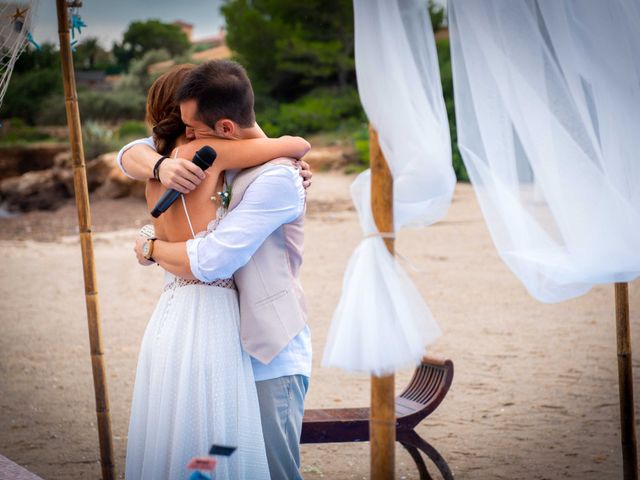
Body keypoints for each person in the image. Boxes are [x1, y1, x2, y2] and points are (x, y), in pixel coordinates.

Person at [122, 62, 311, 479]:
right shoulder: (189, 160)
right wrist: (156, 165)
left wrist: (150, 246)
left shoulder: (274, 176)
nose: (191, 134)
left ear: (221, 125)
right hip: (217, 337)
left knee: (244, 463)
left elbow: (213, 260)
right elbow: (130, 153)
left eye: (196, 126)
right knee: (214, 457)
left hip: (267, 351)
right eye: (187, 125)